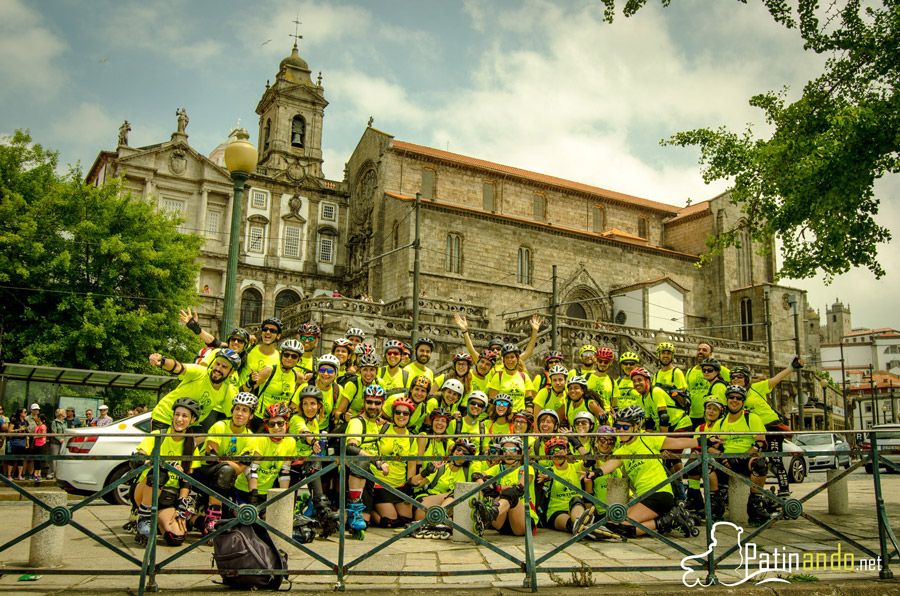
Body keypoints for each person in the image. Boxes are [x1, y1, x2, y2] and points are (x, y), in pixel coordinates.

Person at [590, 406, 698, 538]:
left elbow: (678, 442)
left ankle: (668, 520)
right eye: (618, 427)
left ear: (636, 426)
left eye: (625, 427)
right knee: (615, 523)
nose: (621, 431)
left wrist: (702, 441)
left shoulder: (647, 439)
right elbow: (608, 465)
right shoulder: (622, 450)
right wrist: (594, 473)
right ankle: (667, 519)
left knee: (622, 525)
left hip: (660, 493)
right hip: (642, 498)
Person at [132, 398, 203, 546]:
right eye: (177, 414)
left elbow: (186, 481)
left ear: (192, 420)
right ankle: (144, 519)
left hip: (168, 498)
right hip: (146, 490)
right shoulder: (158, 435)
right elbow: (137, 459)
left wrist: (182, 505)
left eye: (185, 416)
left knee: (175, 538)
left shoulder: (191, 446)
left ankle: (158, 521)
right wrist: (164, 464)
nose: (179, 419)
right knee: (160, 473)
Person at [729, 360, 800, 497]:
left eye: (740, 376)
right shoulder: (732, 395)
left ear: (747, 379)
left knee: (775, 459)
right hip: (754, 431)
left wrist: (791, 367)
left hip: (771, 426)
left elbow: (776, 379)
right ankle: (755, 493)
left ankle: (784, 491)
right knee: (755, 460)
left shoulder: (757, 388)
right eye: (733, 377)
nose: (736, 379)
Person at [194, 392, 258, 535]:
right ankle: (213, 518)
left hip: (226, 478)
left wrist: (223, 459)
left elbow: (240, 470)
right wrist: (234, 461)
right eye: (237, 409)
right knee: (227, 469)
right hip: (203, 472)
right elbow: (211, 457)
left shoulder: (252, 438)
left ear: (251, 416)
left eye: (245, 410)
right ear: (232, 410)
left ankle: (198, 519)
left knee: (227, 471)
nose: (239, 413)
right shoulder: (220, 426)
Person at [707, 385, 771, 525]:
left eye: (738, 398)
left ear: (743, 402)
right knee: (705, 464)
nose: (734, 400)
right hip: (725, 459)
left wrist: (741, 457)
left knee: (760, 464)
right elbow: (709, 447)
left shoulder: (751, 418)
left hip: (745, 458)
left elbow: (761, 443)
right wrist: (722, 455)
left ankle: (755, 504)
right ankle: (715, 505)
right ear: (727, 399)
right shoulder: (720, 422)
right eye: (731, 397)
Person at [149, 348, 241, 432]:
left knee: (203, 442)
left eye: (224, 367)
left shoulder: (227, 390)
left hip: (188, 425)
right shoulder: (200, 372)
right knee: (161, 449)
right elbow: (178, 367)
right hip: (165, 418)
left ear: (231, 372)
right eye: (217, 364)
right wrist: (163, 361)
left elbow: (233, 415)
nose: (218, 369)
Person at [289, 385, 340, 535]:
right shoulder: (296, 418)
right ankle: (322, 511)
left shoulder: (315, 421)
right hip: (291, 464)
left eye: (312, 404)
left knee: (314, 463)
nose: (309, 407)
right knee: (312, 464)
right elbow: (304, 433)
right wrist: (313, 442)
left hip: (306, 463)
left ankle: (323, 511)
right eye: (305, 404)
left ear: (319, 406)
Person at [470, 436, 539, 537]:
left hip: (523, 520)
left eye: (513, 450)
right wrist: (486, 486)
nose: (509, 453)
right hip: (501, 523)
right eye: (505, 450)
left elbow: (520, 488)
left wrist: (497, 487)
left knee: (512, 492)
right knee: (487, 486)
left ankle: (490, 514)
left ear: (520, 453)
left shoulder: (526, 468)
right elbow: (476, 475)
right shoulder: (498, 468)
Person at [410, 438, 477, 538]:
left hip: (449, 506)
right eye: (458, 450)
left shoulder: (469, 470)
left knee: (459, 495)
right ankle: (442, 518)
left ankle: (441, 519)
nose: (460, 453)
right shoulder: (441, 466)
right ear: (453, 451)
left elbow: (479, 483)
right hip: (427, 503)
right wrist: (426, 472)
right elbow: (414, 483)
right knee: (457, 493)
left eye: (465, 453)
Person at [344, 385, 389, 534]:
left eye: (377, 403)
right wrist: (377, 461)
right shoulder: (357, 422)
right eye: (369, 402)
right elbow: (351, 448)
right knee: (361, 461)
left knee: (366, 521)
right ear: (363, 402)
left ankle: (355, 513)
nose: (373, 406)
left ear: (383, 404)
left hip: (369, 476)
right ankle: (354, 507)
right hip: (353, 472)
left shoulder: (376, 423)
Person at [233, 403, 296, 508]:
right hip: (245, 490)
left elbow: (284, 472)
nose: (276, 427)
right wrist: (253, 497)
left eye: (280, 423)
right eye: (272, 424)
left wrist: (283, 498)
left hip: (267, 492)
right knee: (247, 518)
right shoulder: (260, 440)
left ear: (286, 424)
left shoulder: (291, 442)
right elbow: (251, 470)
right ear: (267, 427)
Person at [371, 397, 418, 527]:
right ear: (393, 414)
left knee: (406, 519)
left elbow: (411, 467)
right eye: (398, 412)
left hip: (399, 485)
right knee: (390, 521)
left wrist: (409, 488)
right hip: (380, 483)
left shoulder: (412, 439)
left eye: (405, 413)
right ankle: (368, 509)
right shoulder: (383, 429)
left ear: (410, 416)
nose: (401, 415)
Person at [246, 339, 305, 430]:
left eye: (294, 356)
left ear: (298, 360)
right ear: (281, 355)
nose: (289, 358)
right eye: (286, 355)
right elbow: (247, 390)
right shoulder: (269, 370)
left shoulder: (296, 376)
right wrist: (250, 382)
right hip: (261, 420)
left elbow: (307, 382)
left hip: (280, 422)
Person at [686, 342, 731, 427]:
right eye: (699, 349)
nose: (701, 352)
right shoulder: (690, 371)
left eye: (704, 350)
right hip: (693, 414)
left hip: (712, 414)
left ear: (710, 354)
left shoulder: (720, 370)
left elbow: (737, 381)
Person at [487, 343, 534, 412]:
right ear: (503, 360)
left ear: (517, 359)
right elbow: (492, 402)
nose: (509, 360)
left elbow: (529, 401)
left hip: (519, 418)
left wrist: (527, 416)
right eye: (507, 357)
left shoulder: (524, 376)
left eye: (512, 357)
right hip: (503, 417)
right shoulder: (498, 376)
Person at [49, 409, 66, 480]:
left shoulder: (65, 422)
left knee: (61, 458)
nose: (65, 413)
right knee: (54, 459)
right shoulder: (54, 422)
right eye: (64, 412)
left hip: (63, 442)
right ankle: (53, 473)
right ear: (61, 414)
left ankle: (60, 473)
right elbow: (54, 432)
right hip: (55, 443)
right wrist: (60, 439)